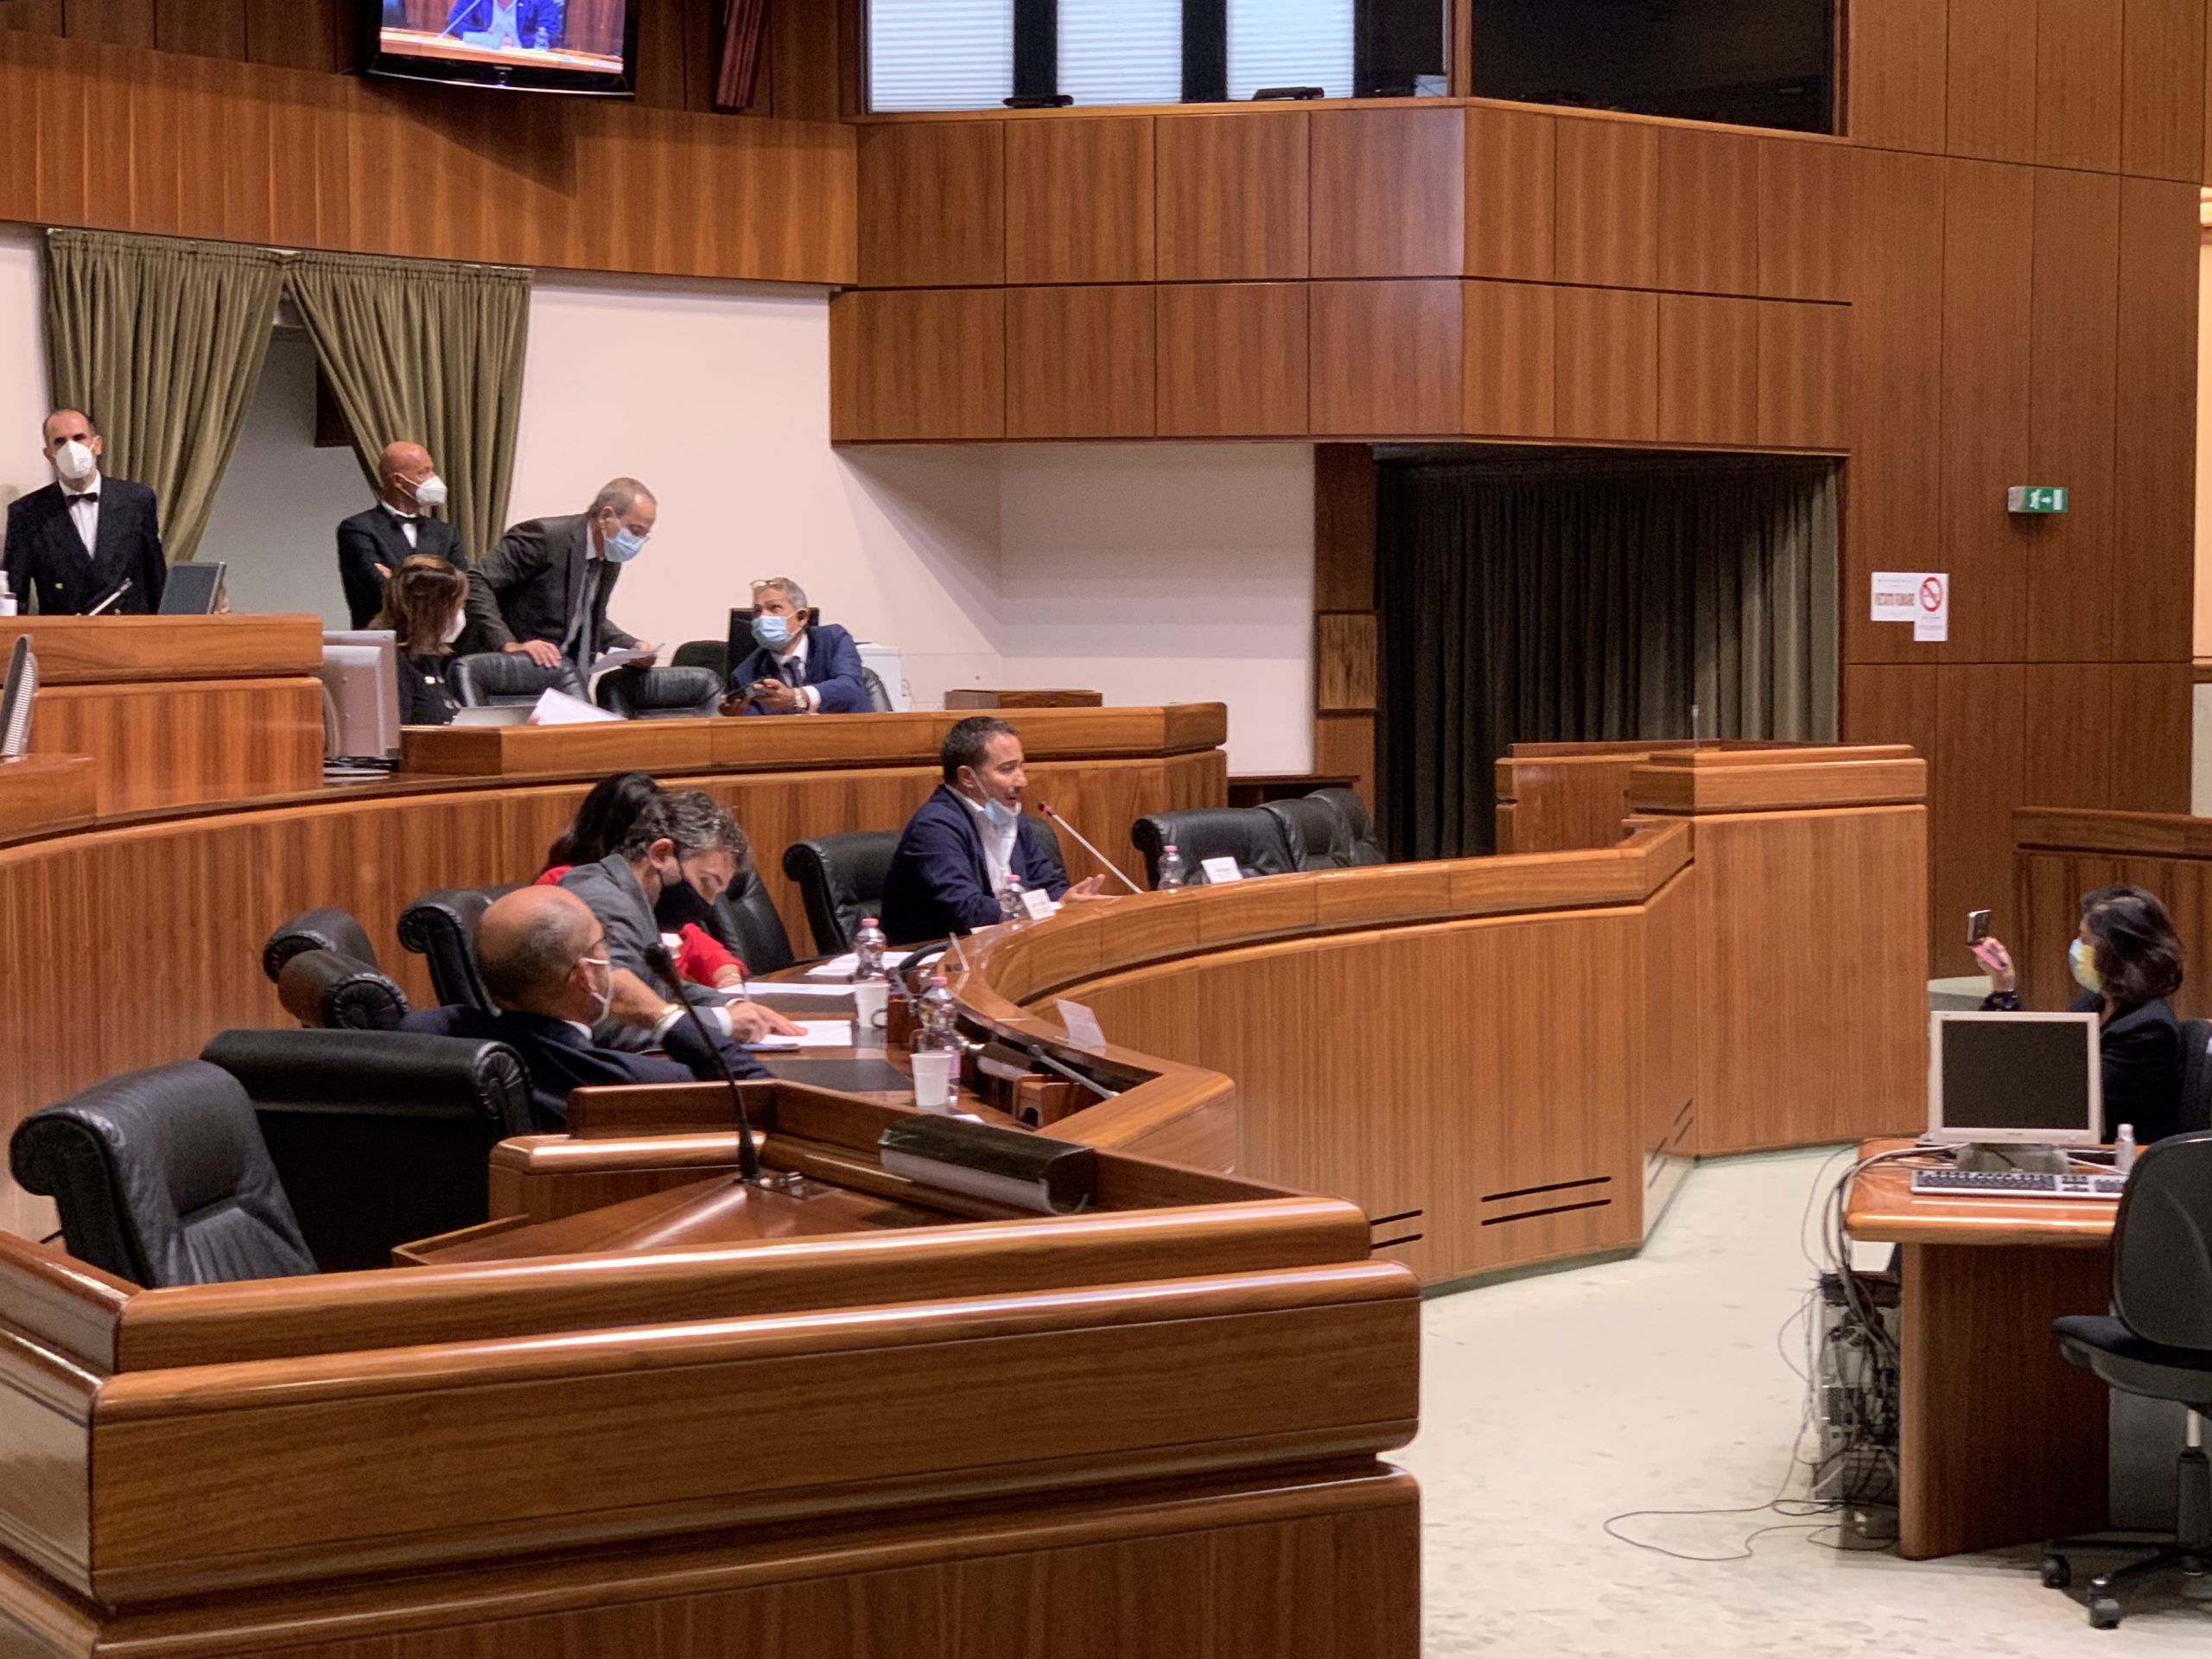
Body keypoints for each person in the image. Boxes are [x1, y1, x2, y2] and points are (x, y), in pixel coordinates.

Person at [402, 887, 767, 1127]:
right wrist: (664, 1017)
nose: (610, 958)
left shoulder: (424, 1040)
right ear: (586, 977)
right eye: (601, 945)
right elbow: (762, 1095)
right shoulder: (638, 1084)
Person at [558, 789, 798, 1048]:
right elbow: (608, 1015)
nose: (707, 905)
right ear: (661, 854)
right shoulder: (605, 902)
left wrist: (730, 1004)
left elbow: (659, 991)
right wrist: (723, 1023)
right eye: (706, 883)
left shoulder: (631, 898)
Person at [1972, 885, 2186, 1143]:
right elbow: (2037, 1059)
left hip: (2114, 1159)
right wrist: (2003, 985)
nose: (2078, 948)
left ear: (2118, 952)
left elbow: (2066, 1098)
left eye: (2087, 941)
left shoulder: (2149, 1027)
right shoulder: (2094, 1004)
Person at [880, 715, 1108, 945]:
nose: (1022, 782)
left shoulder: (1008, 816)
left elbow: (1048, 885)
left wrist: (1076, 901)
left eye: (1022, 767)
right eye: (1007, 769)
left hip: (1006, 947)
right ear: (968, 777)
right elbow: (968, 910)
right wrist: (1057, 906)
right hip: (938, 962)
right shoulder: (934, 828)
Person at [539, 771, 748, 990]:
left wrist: (729, 1000)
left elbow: (699, 953)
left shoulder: (647, 898)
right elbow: (616, 990)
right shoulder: (582, 890)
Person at [467, 478, 658, 674]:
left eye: (644, 535)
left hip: (555, 673)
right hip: (500, 668)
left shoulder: (610, 560)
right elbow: (476, 581)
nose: (638, 542)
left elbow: (587, 619)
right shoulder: (544, 537)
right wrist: (508, 643)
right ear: (605, 516)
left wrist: (631, 648)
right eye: (635, 531)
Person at [2, 410, 165, 615]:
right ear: (49, 454)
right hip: (63, 638)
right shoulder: (26, 512)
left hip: (129, 631)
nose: (71, 448)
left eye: (79, 438)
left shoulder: (137, 499)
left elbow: (156, 577)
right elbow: (14, 594)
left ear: (96, 445)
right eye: (60, 441)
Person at [335, 442, 463, 630]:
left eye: (432, 470)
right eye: (423, 472)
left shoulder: (445, 533)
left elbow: (460, 587)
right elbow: (379, 589)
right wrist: (438, 585)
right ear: (398, 481)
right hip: (381, 641)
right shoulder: (358, 529)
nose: (433, 478)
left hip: (438, 644)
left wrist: (396, 578)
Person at [723, 576, 869, 715]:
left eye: (774, 608)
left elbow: (851, 688)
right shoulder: (745, 674)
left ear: (802, 617)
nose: (762, 617)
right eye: (757, 611)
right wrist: (737, 717)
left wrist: (798, 697)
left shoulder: (833, 639)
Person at [375, 555, 469, 727]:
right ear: (433, 611)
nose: (461, 615)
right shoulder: (392, 664)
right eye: (458, 606)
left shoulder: (430, 661)